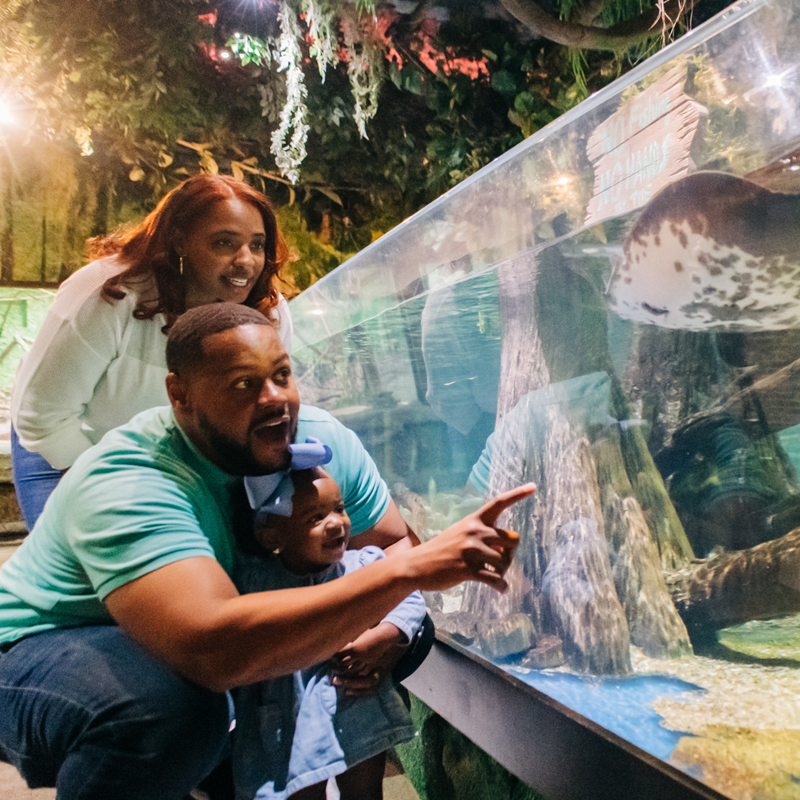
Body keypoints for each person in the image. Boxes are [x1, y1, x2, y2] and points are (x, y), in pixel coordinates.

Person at [0, 303, 534, 800]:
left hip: (205, 640)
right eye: (243, 384)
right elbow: (215, 651)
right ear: (179, 393)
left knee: (400, 633)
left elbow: (391, 541)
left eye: (281, 374)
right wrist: (410, 572)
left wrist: (388, 632)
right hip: (47, 644)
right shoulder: (131, 477)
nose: (276, 397)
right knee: (164, 712)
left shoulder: (319, 441)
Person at [10, 173, 293, 529]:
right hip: (60, 444)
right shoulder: (107, 295)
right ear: (179, 241)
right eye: (224, 242)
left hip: (173, 460)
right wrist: (119, 498)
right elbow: (42, 416)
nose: (246, 260)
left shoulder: (269, 312)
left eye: (257, 245)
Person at [233, 467, 425, 800]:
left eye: (339, 508)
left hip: (356, 705)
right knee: (299, 791)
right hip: (290, 715)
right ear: (272, 535)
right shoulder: (258, 582)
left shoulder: (363, 565)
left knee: (364, 791)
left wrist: (382, 636)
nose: (336, 522)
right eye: (315, 518)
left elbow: (409, 597)